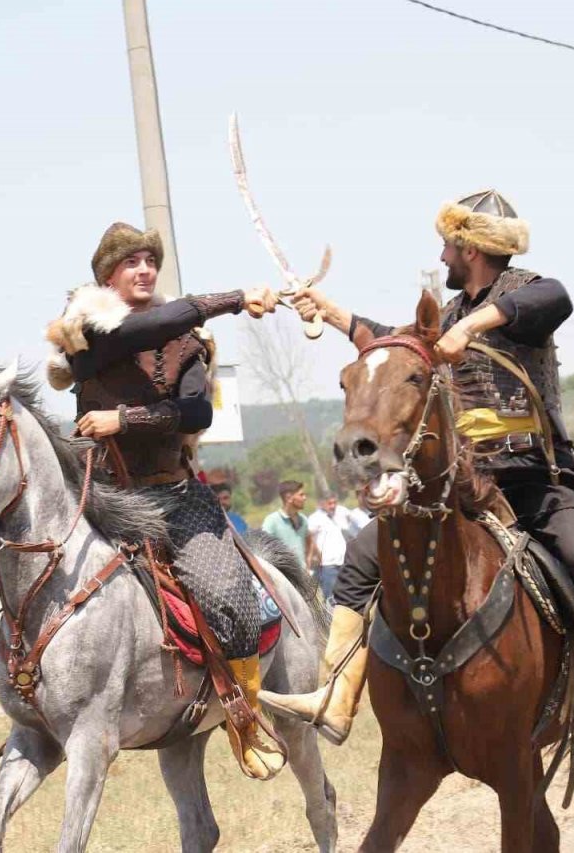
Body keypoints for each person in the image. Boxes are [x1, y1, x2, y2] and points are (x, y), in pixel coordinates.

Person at [259, 190, 574, 755]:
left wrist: (471, 328)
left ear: (471, 248)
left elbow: (557, 297)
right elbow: (388, 342)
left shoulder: (522, 295)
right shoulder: (444, 316)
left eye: (448, 246)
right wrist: (328, 310)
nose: (443, 256)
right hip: (460, 486)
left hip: (532, 478)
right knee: (362, 556)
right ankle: (338, 691)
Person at [44, 221, 286, 780]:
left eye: (151, 260)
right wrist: (235, 298)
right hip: (101, 498)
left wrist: (122, 419)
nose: (145, 269)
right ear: (107, 277)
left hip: (175, 494)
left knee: (228, 598)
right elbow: (149, 326)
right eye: (132, 262)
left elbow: (198, 414)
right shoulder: (88, 333)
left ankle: (246, 720)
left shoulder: (187, 342)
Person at [307, 491, 365, 604]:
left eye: (334, 503)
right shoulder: (315, 518)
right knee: (331, 598)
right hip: (328, 564)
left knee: (348, 594)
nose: (332, 506)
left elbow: (358, 521)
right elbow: (309, 538)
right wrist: (314, 556)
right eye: (329, 503)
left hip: (344, 562)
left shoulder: (341, 512)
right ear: (322, 504)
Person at [260, 480, 314, 571]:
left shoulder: (303, 519)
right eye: (301, 495)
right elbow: (262, 547)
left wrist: (308, 562)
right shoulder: (272, 521)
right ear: (288, 498)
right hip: (282, 578)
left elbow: (310, 540)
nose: (305, 498)